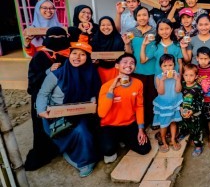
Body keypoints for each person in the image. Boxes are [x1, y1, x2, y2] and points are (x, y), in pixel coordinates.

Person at [36, 42, 100, 177]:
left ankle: (85, 161)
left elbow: (93, 92)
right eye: (74, 53)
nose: (77, 57)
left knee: (83, 132)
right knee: (74, 132)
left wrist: (93, 102)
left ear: (87, 58)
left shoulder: (91, 72)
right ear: (69, 55)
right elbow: (43, 94)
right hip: (57, 114)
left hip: (81, 111)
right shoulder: (57, 74)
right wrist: (42, 110)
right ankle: (68, 150)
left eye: (82, 54)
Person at [24, 27, 69, 171]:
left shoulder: (69, 55)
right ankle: (45, 150)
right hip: (42, 96)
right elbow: (32, 81)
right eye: (53, 37)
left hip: (63, 96)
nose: (56, 39)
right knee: (42, 126)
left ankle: (65, 147)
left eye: (60, 36)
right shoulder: (40, 56)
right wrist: (48, 71)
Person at [98, 53, 151, 164]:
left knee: (144, 148)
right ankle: (119, 140)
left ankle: (125, 139)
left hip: (129, 124)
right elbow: (101, 113)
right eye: (125, 62)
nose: (129, 65)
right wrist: (112, 89)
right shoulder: (106, 86)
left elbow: (139, 106)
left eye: (132, 63)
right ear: (117, 65)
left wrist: (141, 129)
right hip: (110, 125)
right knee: (108, 151)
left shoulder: (138, 83)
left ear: (135, 67)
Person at [122, 6, 157, 128]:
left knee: (152, 96)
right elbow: (129, 53)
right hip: (137, 70)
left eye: (145, 15)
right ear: (135, 17)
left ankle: (153, 120)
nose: (142, 18)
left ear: (149, 17)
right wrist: (127, 44)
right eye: (139, 15)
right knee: (139, 97)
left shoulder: (155, 31)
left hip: (152, 69)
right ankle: (141, 121)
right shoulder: (131, 32)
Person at [153, 54, 183, 152]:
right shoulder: (158, 77)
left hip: (174, 103)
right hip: (164, 105)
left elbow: (178, 90)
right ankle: (163, 140)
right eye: (165, 66)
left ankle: (173, 139)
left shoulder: (177, 75)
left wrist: (177, 80)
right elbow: (160, 92)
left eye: (170, 65)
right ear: (161, 67)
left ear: (174, 65)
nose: (168, 68)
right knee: (164, 124)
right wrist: (162, 80)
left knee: (173, 122)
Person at [81, 16, 125, 84]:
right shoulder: (94, 39)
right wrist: (94, 61)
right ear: (99, 26)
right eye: (103, 25)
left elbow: (125, 56)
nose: (106, 27)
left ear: (113, 26)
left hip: (116, 71)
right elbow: (87, 54)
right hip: (98, 71)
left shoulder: (120, 39)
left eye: (109, 25)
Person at [179, 64, 204, 157]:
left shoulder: (198, 88)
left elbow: (201, 103)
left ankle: (198, 145)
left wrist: (192, 111)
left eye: (191, 75)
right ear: (183, 75)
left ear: (196, 76)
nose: (188, 78)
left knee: (196, 130)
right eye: (186, 75)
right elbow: (178, 98)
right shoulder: (182, 85)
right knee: (183, 124)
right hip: (183, 111)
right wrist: (181, 109)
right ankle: (183, 133)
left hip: (195, 114)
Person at [195, 47, 210, 148]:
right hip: (199, 99)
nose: (203, 61)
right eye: (201, 58)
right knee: (198, 120)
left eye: (205, 58)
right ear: (197, 58)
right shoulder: (195, 69)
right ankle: (197, 140)